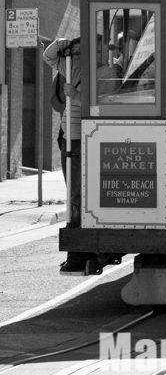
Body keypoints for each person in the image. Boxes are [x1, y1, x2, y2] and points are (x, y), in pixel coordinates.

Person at [43, 36, 87, 274]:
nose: (76, 54)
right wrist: (63, 42)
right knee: (74, 192)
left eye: (79, 50)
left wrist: (75, 94)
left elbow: (105, 98)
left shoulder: (101, 69)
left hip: (81, 135)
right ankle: (76, 251)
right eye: (74, 51)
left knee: (77, 193)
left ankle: (78, 252)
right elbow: (48, 55)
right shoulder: (67, 64)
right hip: (68, 134)